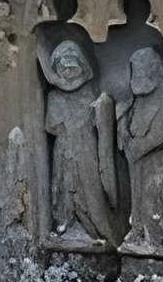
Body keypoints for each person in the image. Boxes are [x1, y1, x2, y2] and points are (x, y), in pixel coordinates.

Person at [43, 38, 119, 246]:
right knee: (63, 185)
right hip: (63, 148)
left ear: (82, 68)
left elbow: (99, 123)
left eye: (72, 68)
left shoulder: (90, 92)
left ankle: (94, 229)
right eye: (64, 69)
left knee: (89, 187)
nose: (68, 73)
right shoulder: (54, 97)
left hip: (86, 148)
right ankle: (66, 224)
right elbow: (50, 126)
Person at [119, 45, 163, 255]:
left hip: (161, 162)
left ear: (155, 71)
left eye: (143, 70)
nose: (139, 76)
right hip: (139, 162)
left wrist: (139, 146)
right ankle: (139, 232)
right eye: (136, 71)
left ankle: (159, 239)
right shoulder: (138, 99)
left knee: (154, 199)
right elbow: (129, 123)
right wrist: (124, 130)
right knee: (138, 200)